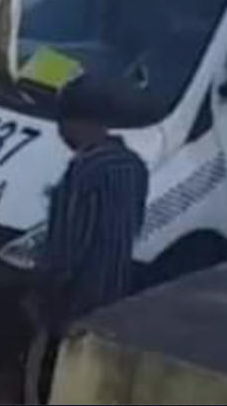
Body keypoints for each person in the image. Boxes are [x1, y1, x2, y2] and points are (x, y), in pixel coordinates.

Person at [24, 75, 149, 404]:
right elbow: (134, 225)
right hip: (115, 298)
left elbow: (69, 250)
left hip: (75, 307)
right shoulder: (134, 166)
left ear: (76, 122)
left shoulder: (83, 171)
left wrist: (42, 293)